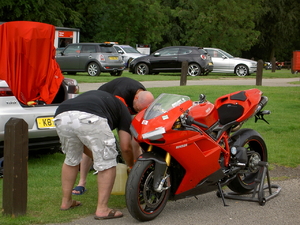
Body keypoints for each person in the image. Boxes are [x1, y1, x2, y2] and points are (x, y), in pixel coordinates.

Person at [55, 90, 134, 219]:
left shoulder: (101, 98)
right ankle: (102, 209)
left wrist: (96, 156)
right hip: (90, 117)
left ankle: (66, 202)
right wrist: (132, 166)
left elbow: (85, 145)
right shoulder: (123, 110)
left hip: (62, 114)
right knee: (108, 163)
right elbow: (126, 147)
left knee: (71, 159)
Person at [72, 77, 154, 195]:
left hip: (122, 109)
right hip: (103, 111)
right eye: (136, 109)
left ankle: (138, 173)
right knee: (93, 144)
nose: (137, 112)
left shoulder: (144, 96)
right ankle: (81, 183)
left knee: (136, 140)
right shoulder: (121, 94)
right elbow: (118, 120)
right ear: (134, 99)